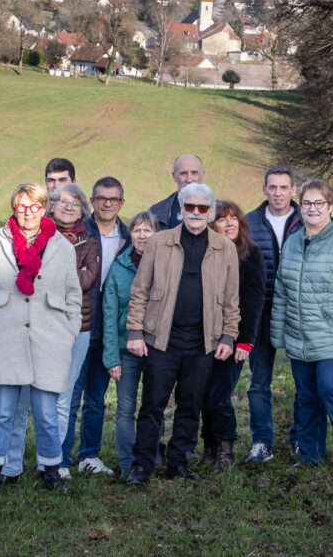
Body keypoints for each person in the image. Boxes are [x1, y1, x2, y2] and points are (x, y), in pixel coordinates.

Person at [125, 183, 240, 485]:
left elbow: (231, 299)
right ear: (181, 208)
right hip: (161, 339)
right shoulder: (159, 242)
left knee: (190, 406)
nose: (196, 213)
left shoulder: (224, 247)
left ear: (211, 212)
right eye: (190, 206)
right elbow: (140, 290)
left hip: (203, 342)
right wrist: (135, 331)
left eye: (203, 208)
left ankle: (178, 463)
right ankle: (142, 464)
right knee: (152, 405)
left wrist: (228, 336)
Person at [0, 183, 83, 493]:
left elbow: (74, 294)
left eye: (34, 207)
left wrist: (68, 330)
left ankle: (51, 470)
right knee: (1, 412)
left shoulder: (62, 245)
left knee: (47, 414)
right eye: (22, 207)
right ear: (14, 209)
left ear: (44, 208)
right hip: (4, 338)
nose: (28, 213)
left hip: (50, 339)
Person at [270, 180, 333, 468]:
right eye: (307, 203)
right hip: (301, 339)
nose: (312, 208)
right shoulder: (292, 243)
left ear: (330, 206)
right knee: (307, 396)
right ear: (299, 206)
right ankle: (309, 456)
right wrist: (280, 335)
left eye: (319, 203)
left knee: (332, 389)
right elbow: (282, 291)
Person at [67, 176, 130, 477]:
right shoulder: (79, 232)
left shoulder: (129, 239)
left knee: (96, 397)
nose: (107, 203)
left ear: (121, 203)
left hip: (109, 330)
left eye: (113, 199)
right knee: (69, 395)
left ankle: (88, 455)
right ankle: (61, 458)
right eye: (102, 198)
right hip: (79, 324)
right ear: (91, 201)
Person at [244, 166, 304, 462]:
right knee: (259, 380)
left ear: (294, 190)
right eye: (273, 187)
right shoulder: (249, 222)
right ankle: (261, 442)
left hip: (298, 310)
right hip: (261, 311)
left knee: (303, 380)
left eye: (284, 187)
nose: (278, 193)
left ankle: (299, 439)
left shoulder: (308, 219)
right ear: (264, 189)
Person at [200, 201, 265, 471]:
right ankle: (209, 447)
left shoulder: (251, 254)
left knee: (219, 395)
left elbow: (254, 300)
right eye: (222, 219)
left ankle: (226, 450)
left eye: (233, 219)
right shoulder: (206, 252)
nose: (229, 223)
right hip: (204, 336)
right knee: (202, 394)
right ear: (212, 225)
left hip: (234, 338)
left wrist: (245, 341)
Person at [48, 183, 101, 479]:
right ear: (52, 205)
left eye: (75, 203)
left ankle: (54, 461)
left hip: (79, 326)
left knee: (65, 396)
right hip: (43, 324)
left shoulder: (89, 242)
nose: (69, 207)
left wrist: (54, 272)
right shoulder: (39, 236)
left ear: (83, 209)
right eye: (63, 201)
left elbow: (87, 280)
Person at [101, 211, 158, 479]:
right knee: (125, 408)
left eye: (148, 230)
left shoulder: (165, 265)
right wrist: (112, 357)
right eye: (137, 230)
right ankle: (126, 462)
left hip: (157, 349)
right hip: (126, 351)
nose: (143, 235)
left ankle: (151, 457)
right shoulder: (118, 268)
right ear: (130, 234)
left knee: (153, 405)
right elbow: (110, 315)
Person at [149, 154, 205, 229]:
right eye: (183, 173)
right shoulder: (155, 212)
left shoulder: (218, 212)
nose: (189, 179)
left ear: (203, 175)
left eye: (194, 173)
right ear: (174, 176)